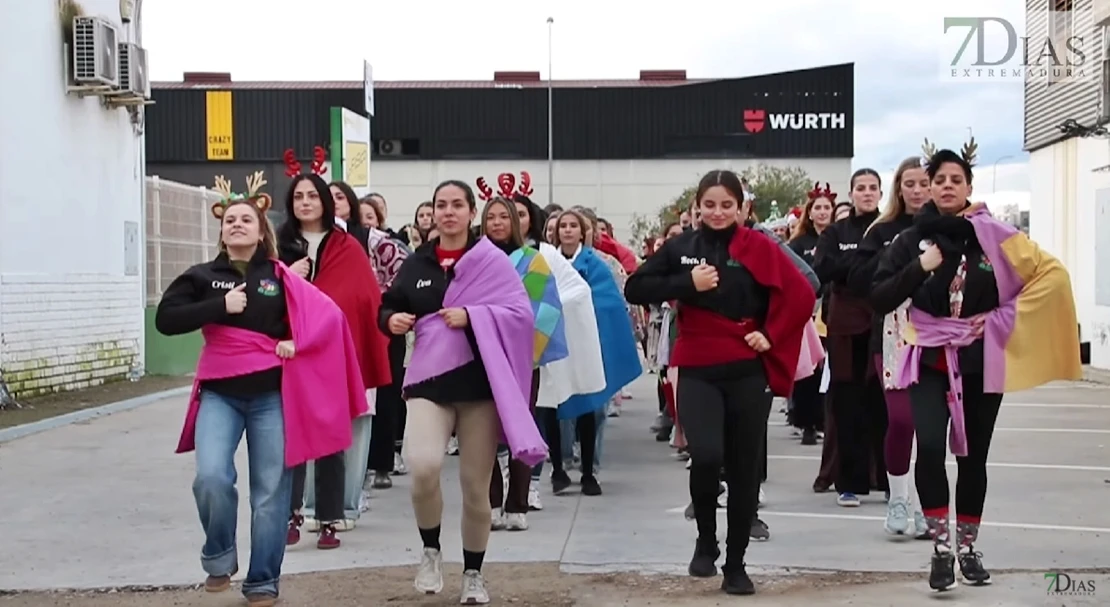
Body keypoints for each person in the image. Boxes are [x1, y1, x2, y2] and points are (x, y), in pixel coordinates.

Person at [871, 142, 1081, 590]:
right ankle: (941, 548)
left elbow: (1051, 274)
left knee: (973, 458)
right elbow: (879, 295)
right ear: (927, 188)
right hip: (927, 359)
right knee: (928, 447)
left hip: (980, 362)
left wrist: (1003, 319)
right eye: (938, 180)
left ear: (969, 186)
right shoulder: (910, 240)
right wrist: (919, 269)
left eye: (955, 180)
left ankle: (967, 548)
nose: (946, 186)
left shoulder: (997, 236)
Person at [158, 172, 367, 607]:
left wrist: (299, 342)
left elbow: (325, 318)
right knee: (211, 478)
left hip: (272, 397)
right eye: (230, 219)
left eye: (246, 220)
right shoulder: (201, 276)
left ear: (260, 231)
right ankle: (219, 557)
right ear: (220, 229)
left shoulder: (279, 276)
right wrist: (220, 306)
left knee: (271, 492)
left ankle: (262, 581)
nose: (237, 224)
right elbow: (167, 319)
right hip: (219, 394)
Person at [624, 169, 815, 596]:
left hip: (748, 366)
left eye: (726, 204)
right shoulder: (681, 248)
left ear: (742, 208)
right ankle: (706, 540)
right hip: (697, 363)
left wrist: (772, 332)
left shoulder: (760, 246)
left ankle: (736, 562)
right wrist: (684, 284)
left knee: (746, 468)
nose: (717, 212)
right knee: (707, 454)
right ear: (696, 207)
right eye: (708, 204)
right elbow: (636, 288)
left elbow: (803, 292)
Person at [379, 179, 544, 604]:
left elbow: (520, 315)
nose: (448, 212)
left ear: (472, 212)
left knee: (475, 487)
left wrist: (473, 315)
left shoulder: (491, 261)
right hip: (428, 383)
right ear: (432, 212)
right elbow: (389, 304)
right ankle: (431, 549)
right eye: (440, 205)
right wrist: (391, 319)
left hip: (480, 388)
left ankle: (473, 573)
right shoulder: (416, 263)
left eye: (457, 205)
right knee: (422, 466)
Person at [277, 156, 391, 548]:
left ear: (326, 201)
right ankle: (290, 514)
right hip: (289, 353)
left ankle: (330, 515)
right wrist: (289, 278)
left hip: (331, 353)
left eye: (313, 195)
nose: (305, 202)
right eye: (298, 196)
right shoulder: (277, 243)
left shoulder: (348, 245)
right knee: (292, 435)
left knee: (330, 435)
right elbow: (263, 293)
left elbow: (361, 297)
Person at [476, 175, 569, 530]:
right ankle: (492, 503)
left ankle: (518, 504)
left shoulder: (533, 261)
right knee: (482, 433)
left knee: (519, 429)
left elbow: (545, 311)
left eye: (504, 217)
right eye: (490, 217)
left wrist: (525, 351)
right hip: (481, 358)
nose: (497, 223)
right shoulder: (476, 259)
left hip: (519, 359)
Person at [846, 157, 932, 538]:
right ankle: (898, 497)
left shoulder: (949, 227)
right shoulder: (882, 231)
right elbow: (859, 280)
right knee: (901, 420)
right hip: (894, 337)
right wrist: (898, 255)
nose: (917, 190)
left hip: (940, 336)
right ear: (898, 188)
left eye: (924, 183)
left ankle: (929, 503)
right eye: (909, 183)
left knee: (931, 428)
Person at [813, 169, 886, 508]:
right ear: (852, 193)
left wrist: (854, 268)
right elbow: (824, 270)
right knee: (846, 403)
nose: (867, 193)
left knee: (884, 405)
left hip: (884, 323)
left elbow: (894, 269)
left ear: (881, 194)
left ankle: (888, 480)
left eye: (873, 188)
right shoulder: (835, 232)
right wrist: (861, 266)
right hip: (844, 327)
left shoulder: (888, 229)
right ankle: (849, 483)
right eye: (860, 188)